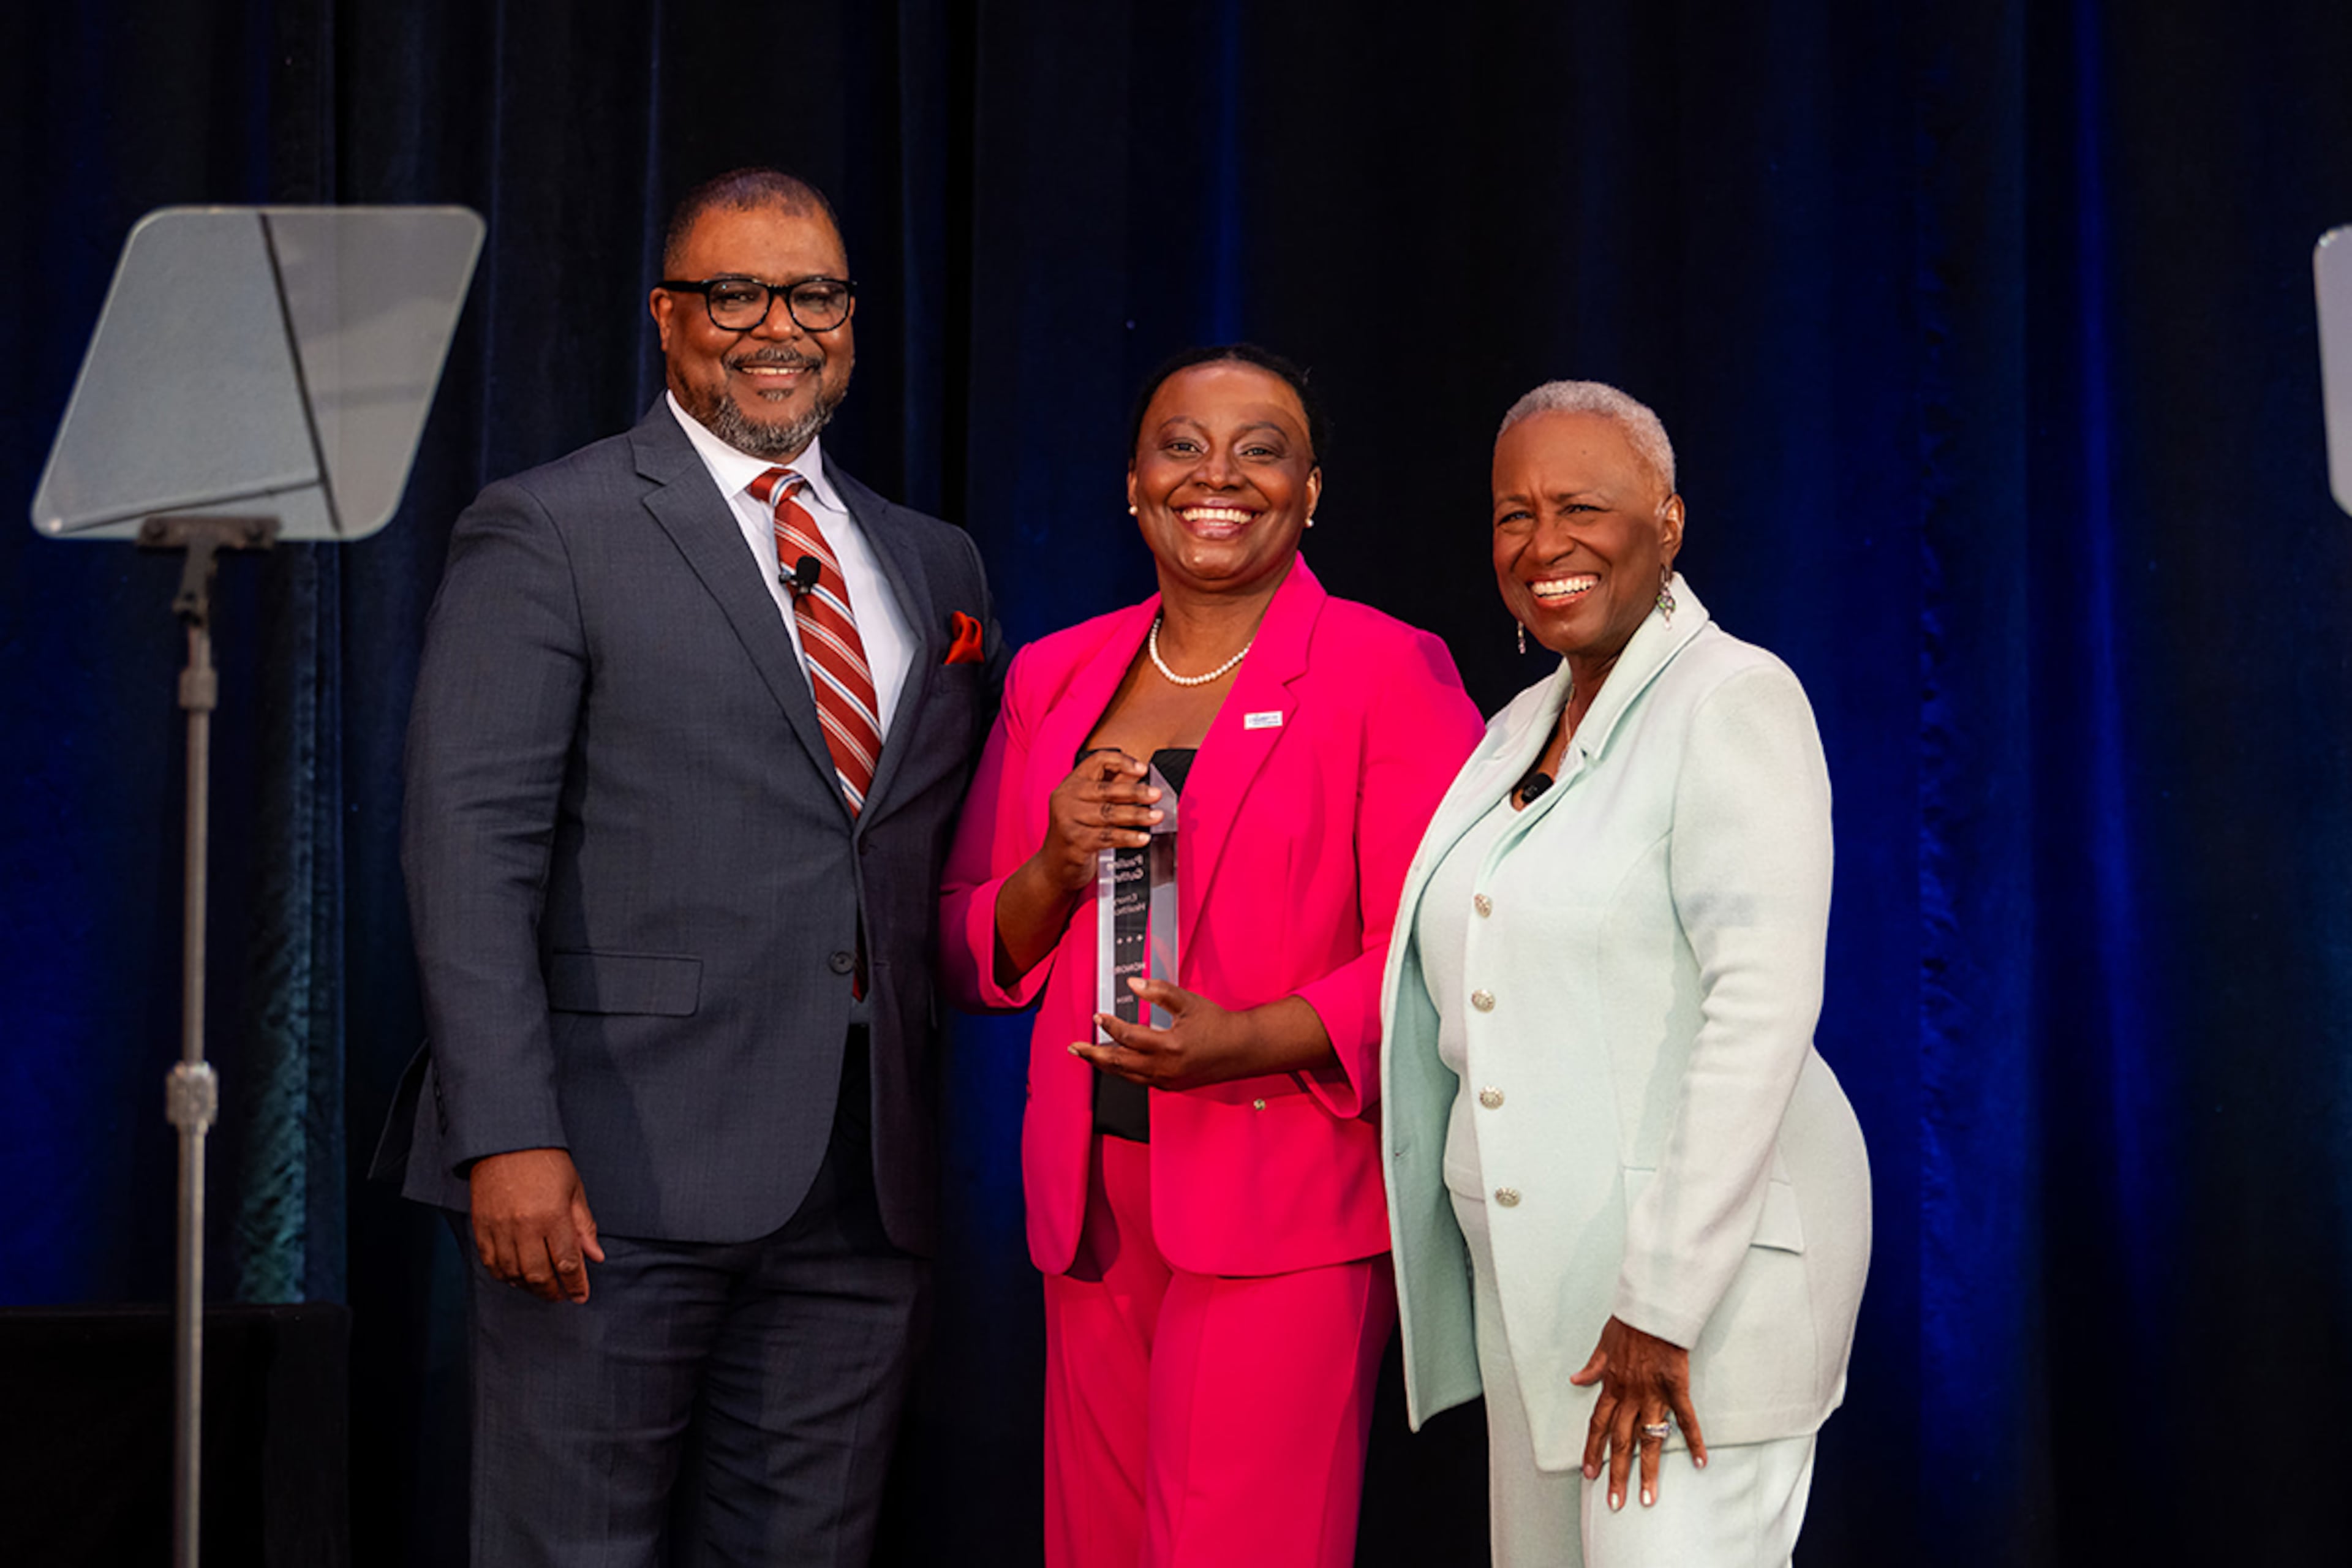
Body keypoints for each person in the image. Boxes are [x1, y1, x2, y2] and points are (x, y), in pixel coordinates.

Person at [371, 167, 1003, 1564]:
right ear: (669, 318)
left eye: (815, 294)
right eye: (736, 293)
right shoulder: (552, 527)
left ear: (850, 319)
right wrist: (508, 1133)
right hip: (604, 1179)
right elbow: (468, 847)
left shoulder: (934, 562)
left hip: (861, 1191)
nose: (778, 325)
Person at [940, 344, 1483, 1567]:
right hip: (1093, 1207)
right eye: (1182, 445)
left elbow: (1444, 954)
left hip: (1283, 1193)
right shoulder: (1056, 673)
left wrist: (1247, 1038)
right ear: (1134, 483)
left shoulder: (1384, 669)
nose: (1216, 474)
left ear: (1310, 491)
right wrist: (1054, 868)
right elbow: (971, 939)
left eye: (1261, 449)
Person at [1379, 381, 1871, 1567]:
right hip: (1541, 1291)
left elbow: (1759, 1009)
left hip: (1692, 1299)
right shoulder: (1515, 727)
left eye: (1582, 506)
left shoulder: (1734, 699)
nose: (1544, 543)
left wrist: (1663, 1301)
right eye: (1513, 513)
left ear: (1669, 520)